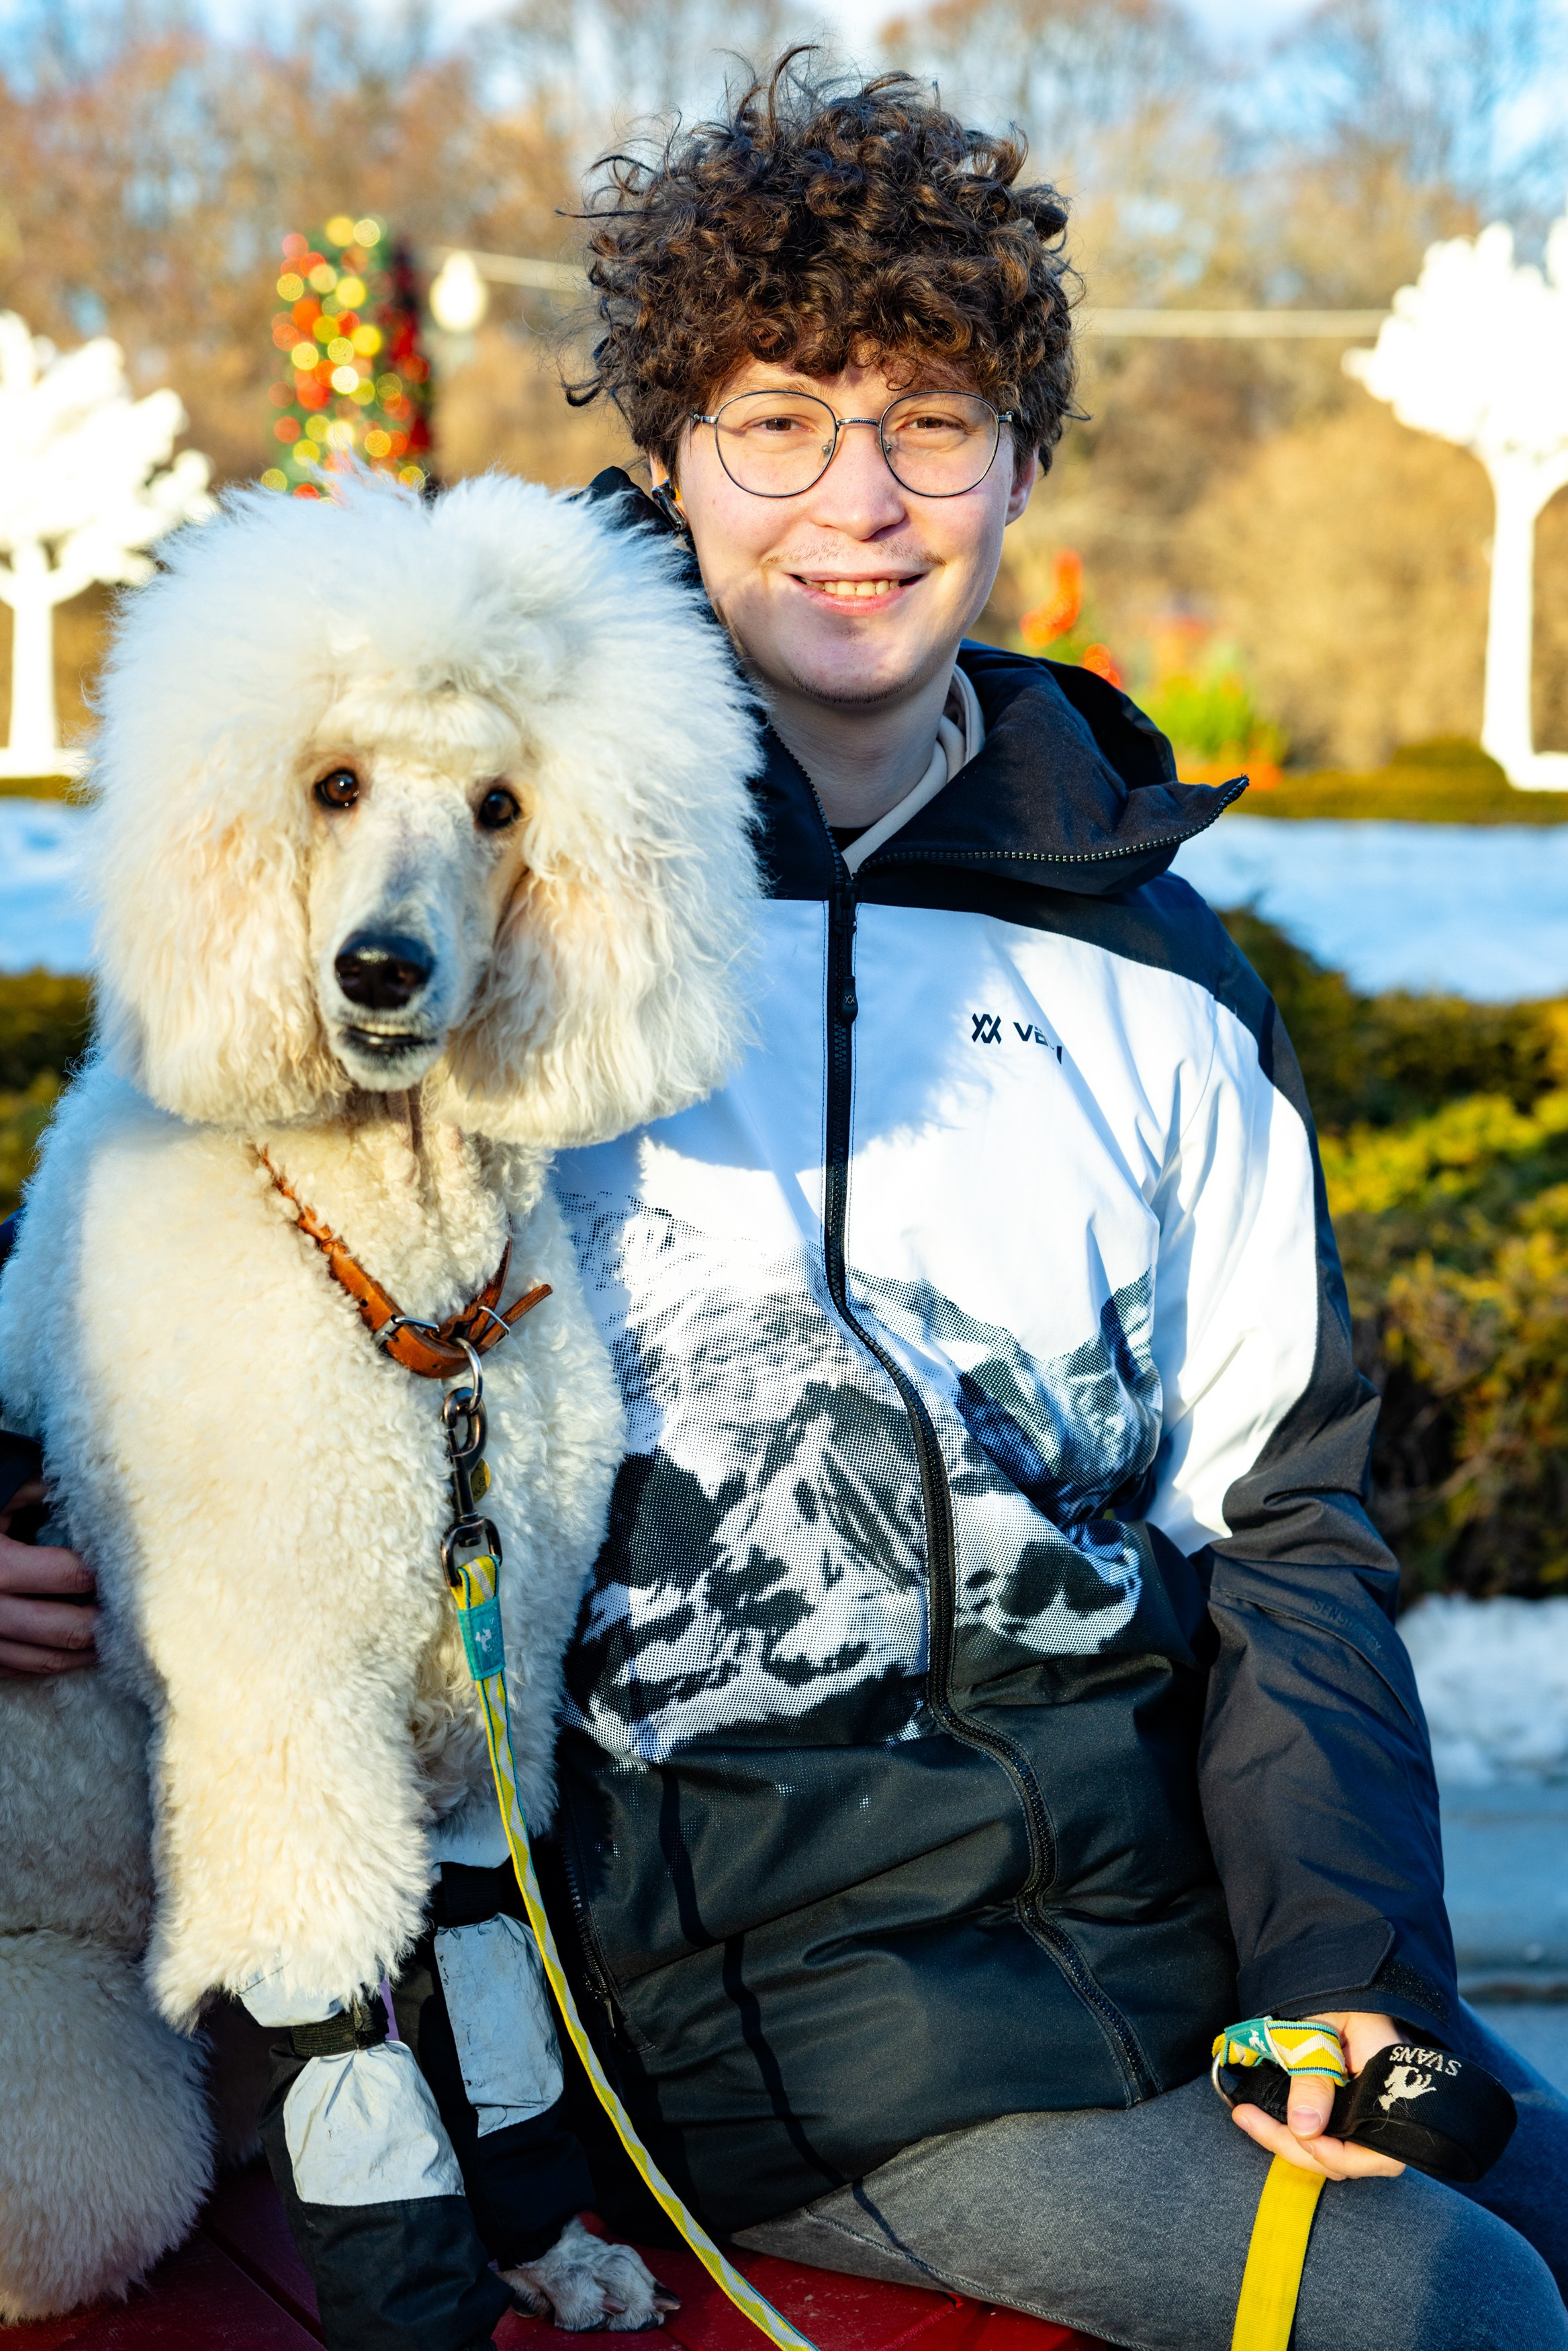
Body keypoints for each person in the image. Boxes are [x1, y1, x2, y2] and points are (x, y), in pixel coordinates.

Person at [3, 54, 1567, 2351]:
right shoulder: (523, 902)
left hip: (1143, 1933)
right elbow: (143, 1247)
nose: (859, 496)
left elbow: (1284, 1532)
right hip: (743, 2000)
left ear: (1022, 458)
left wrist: (1347, 1973)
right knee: (1452, 2304)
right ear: (672, 455)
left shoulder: (1156, 970)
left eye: (932, 421)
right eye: (777, 422)